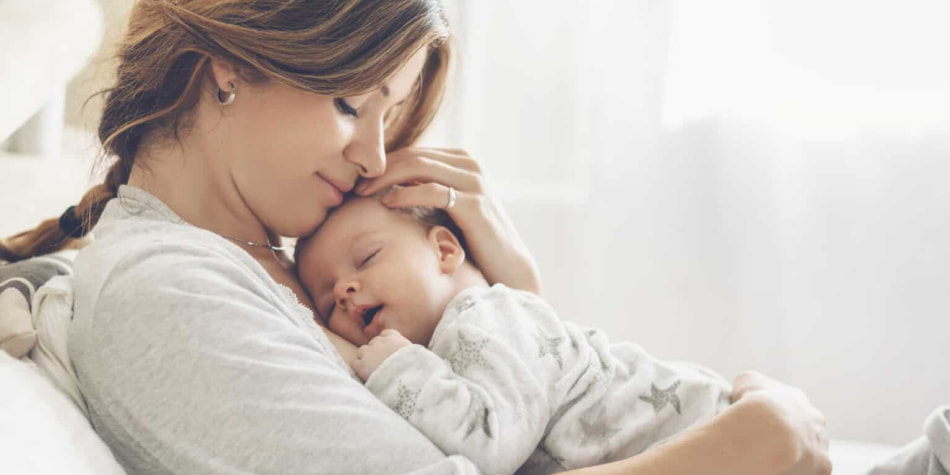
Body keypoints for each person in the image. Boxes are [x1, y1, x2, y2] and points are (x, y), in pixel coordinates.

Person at [0, 1, 831, 474]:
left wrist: (514, 296)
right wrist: (750, 445)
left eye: (387, 116)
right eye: (350, 104)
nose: (374, 153)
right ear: (228, 70)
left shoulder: (291, 257)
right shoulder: (166, 292)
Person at [295, 193, 736, 474]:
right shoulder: (456, 345)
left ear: (445, 249)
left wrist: (397, 368)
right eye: (329, 302)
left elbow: (491, 447)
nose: (344, 290)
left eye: (367, 257)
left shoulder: (487, 314)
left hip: (713, 428)